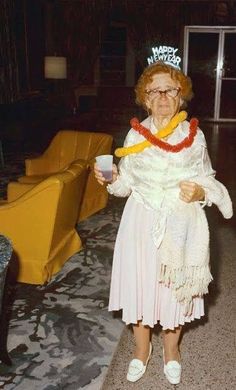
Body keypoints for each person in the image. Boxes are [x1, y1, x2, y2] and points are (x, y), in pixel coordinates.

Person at [94, 61, 233, 385]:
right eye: (154, 90)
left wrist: (199, 191)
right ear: (144, 97)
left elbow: (208, 180)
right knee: (139, 287)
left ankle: (172, 351)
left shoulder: (194, 136)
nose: (162, 96)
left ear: (181, 95)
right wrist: (111, 178)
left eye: (169, 89)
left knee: (176, 290)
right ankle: (141, 350)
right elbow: (125, 185)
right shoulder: (134, 133)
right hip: (140, 221)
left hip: (179, 225)